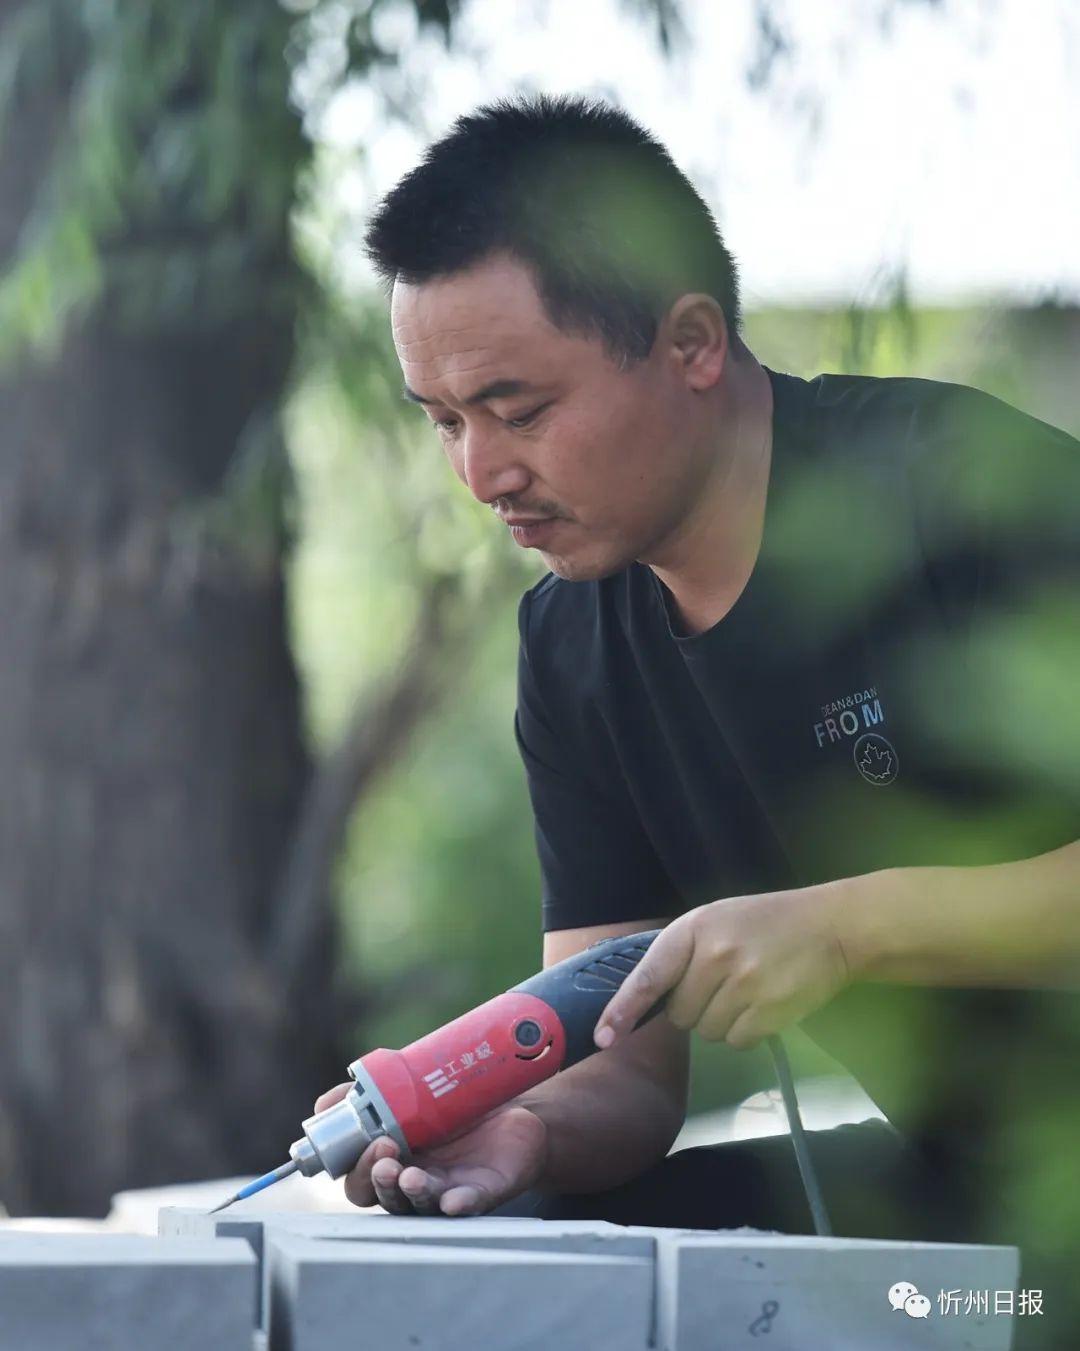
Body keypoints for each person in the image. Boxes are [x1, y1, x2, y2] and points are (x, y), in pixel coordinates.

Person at [314, 93, 1078, 1331]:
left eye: (519, 409)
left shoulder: (956, 492)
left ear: (691, 344)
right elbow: (621, 1061)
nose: (483, 474)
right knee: (539, 1240)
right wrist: (524, 1132)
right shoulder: (572, 647)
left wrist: (850, 930)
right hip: (952, 1196)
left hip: (1056, 1188)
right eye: (445, 422)